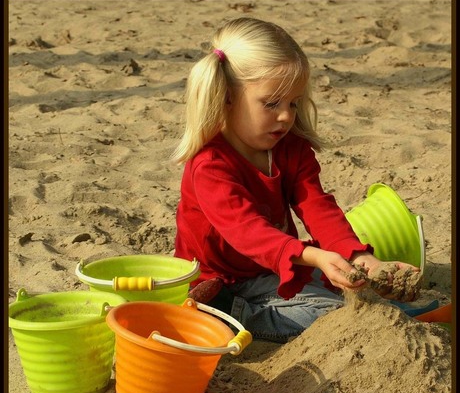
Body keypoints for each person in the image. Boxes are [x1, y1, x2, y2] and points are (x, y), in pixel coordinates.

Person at [171, 17, 420, 343]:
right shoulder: (210, 165)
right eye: (271, 103)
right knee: (328, 315)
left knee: (344, 279)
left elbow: (317, 206)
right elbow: (249, 233)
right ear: (227, 97)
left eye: (293, 103)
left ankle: (385, 314)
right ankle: (232, 314)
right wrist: (315, 256)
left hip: (274, 267)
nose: (286, 116)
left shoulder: (289, 148)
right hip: (222, 281)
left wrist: (361, 258)